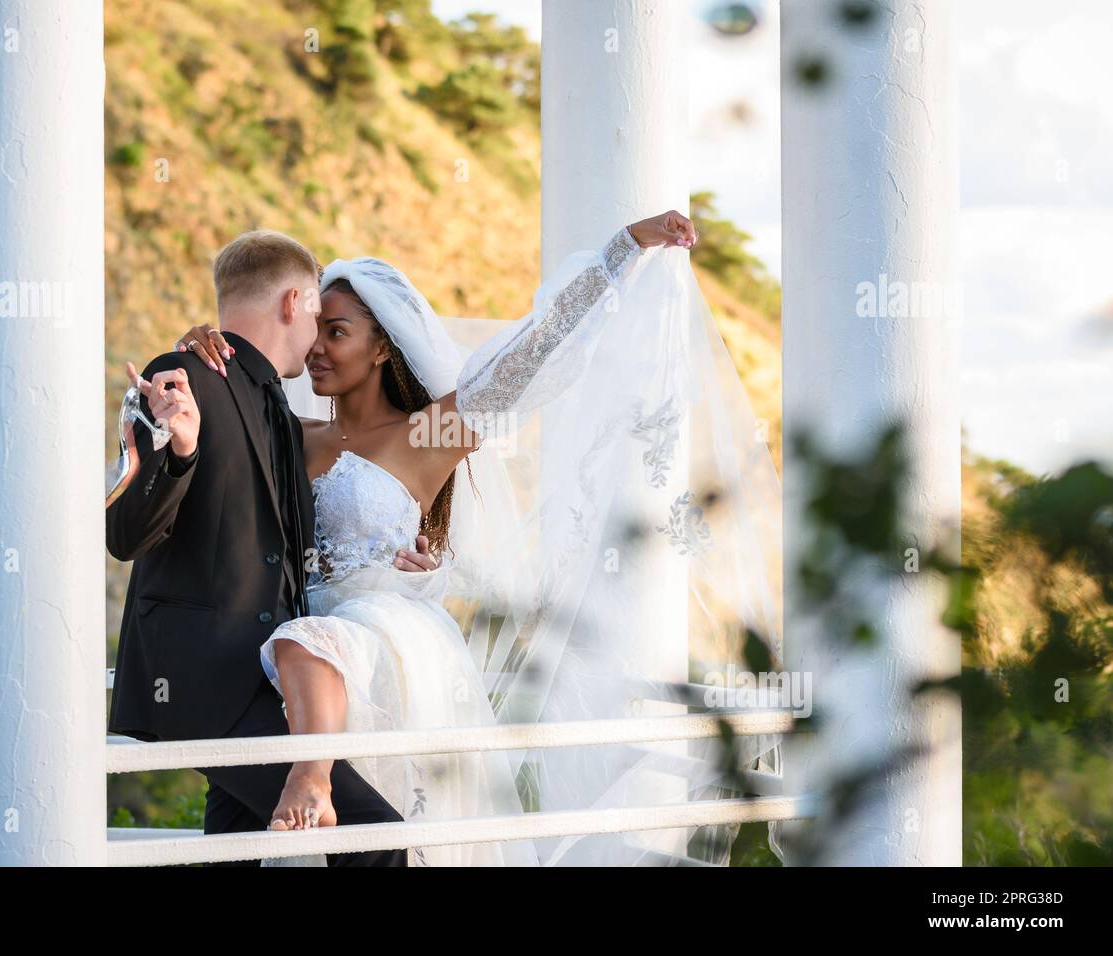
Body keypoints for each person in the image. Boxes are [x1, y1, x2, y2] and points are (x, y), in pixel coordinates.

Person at [165, 209, 787, 867]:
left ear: (383, 346)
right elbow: (222, 409)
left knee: (359, 791)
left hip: (382, 645)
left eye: (338, 332)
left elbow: (531, 354)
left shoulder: (428, 435)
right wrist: (208, 344)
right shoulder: (285, 429)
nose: (316, 346)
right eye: (315, 328)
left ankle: (312, 777)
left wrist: (621, 250)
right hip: (291, 659)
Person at [105, 229, 440, 867]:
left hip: (260, 680)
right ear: (295, 302)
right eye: (318, 314)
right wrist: (179, 453)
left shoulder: (280, 412)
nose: (318, 336)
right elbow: (123, 535)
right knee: (375, 838)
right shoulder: (177, 379)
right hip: (202, 678)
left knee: (231, 854)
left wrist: (399, 569)